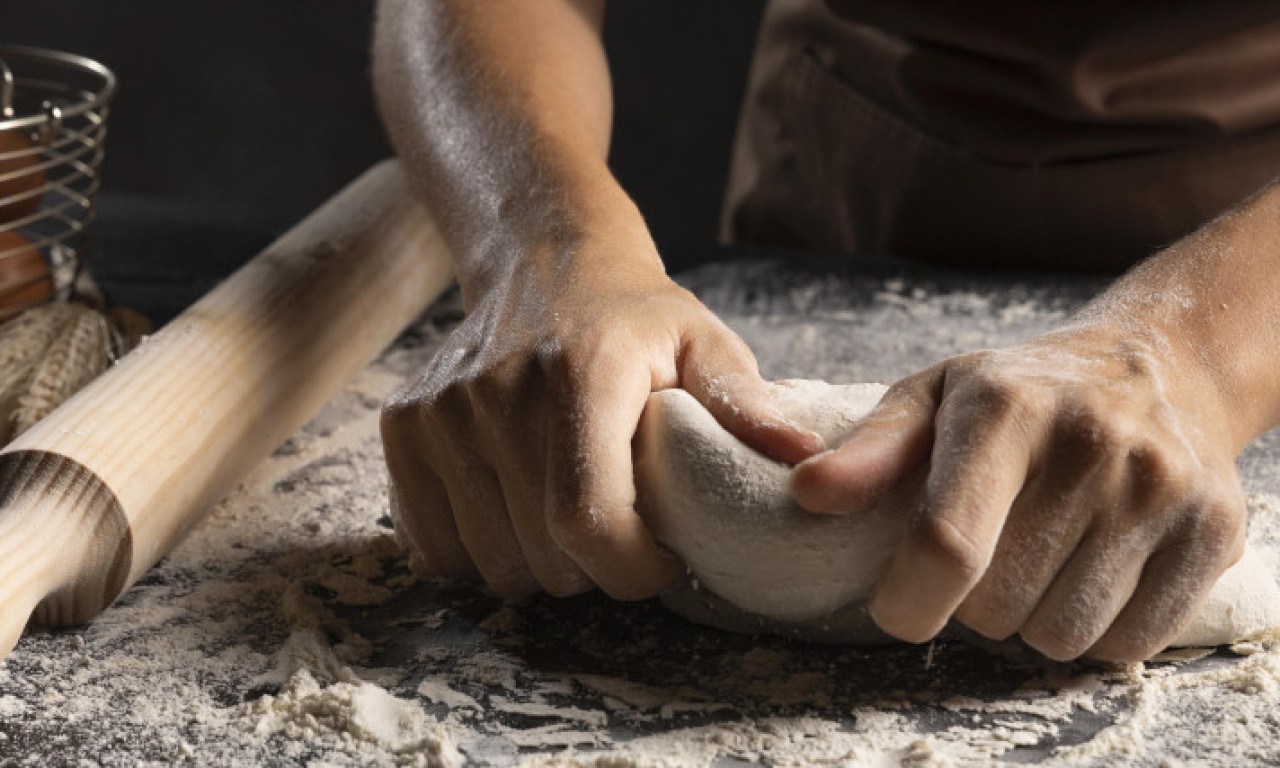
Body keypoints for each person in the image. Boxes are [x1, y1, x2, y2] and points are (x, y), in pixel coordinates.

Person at [371, 0, 1280, 662]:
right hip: (855, 160)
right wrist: (543, 236)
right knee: (598, 435)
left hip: (1250, 253)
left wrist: (1195, 352)